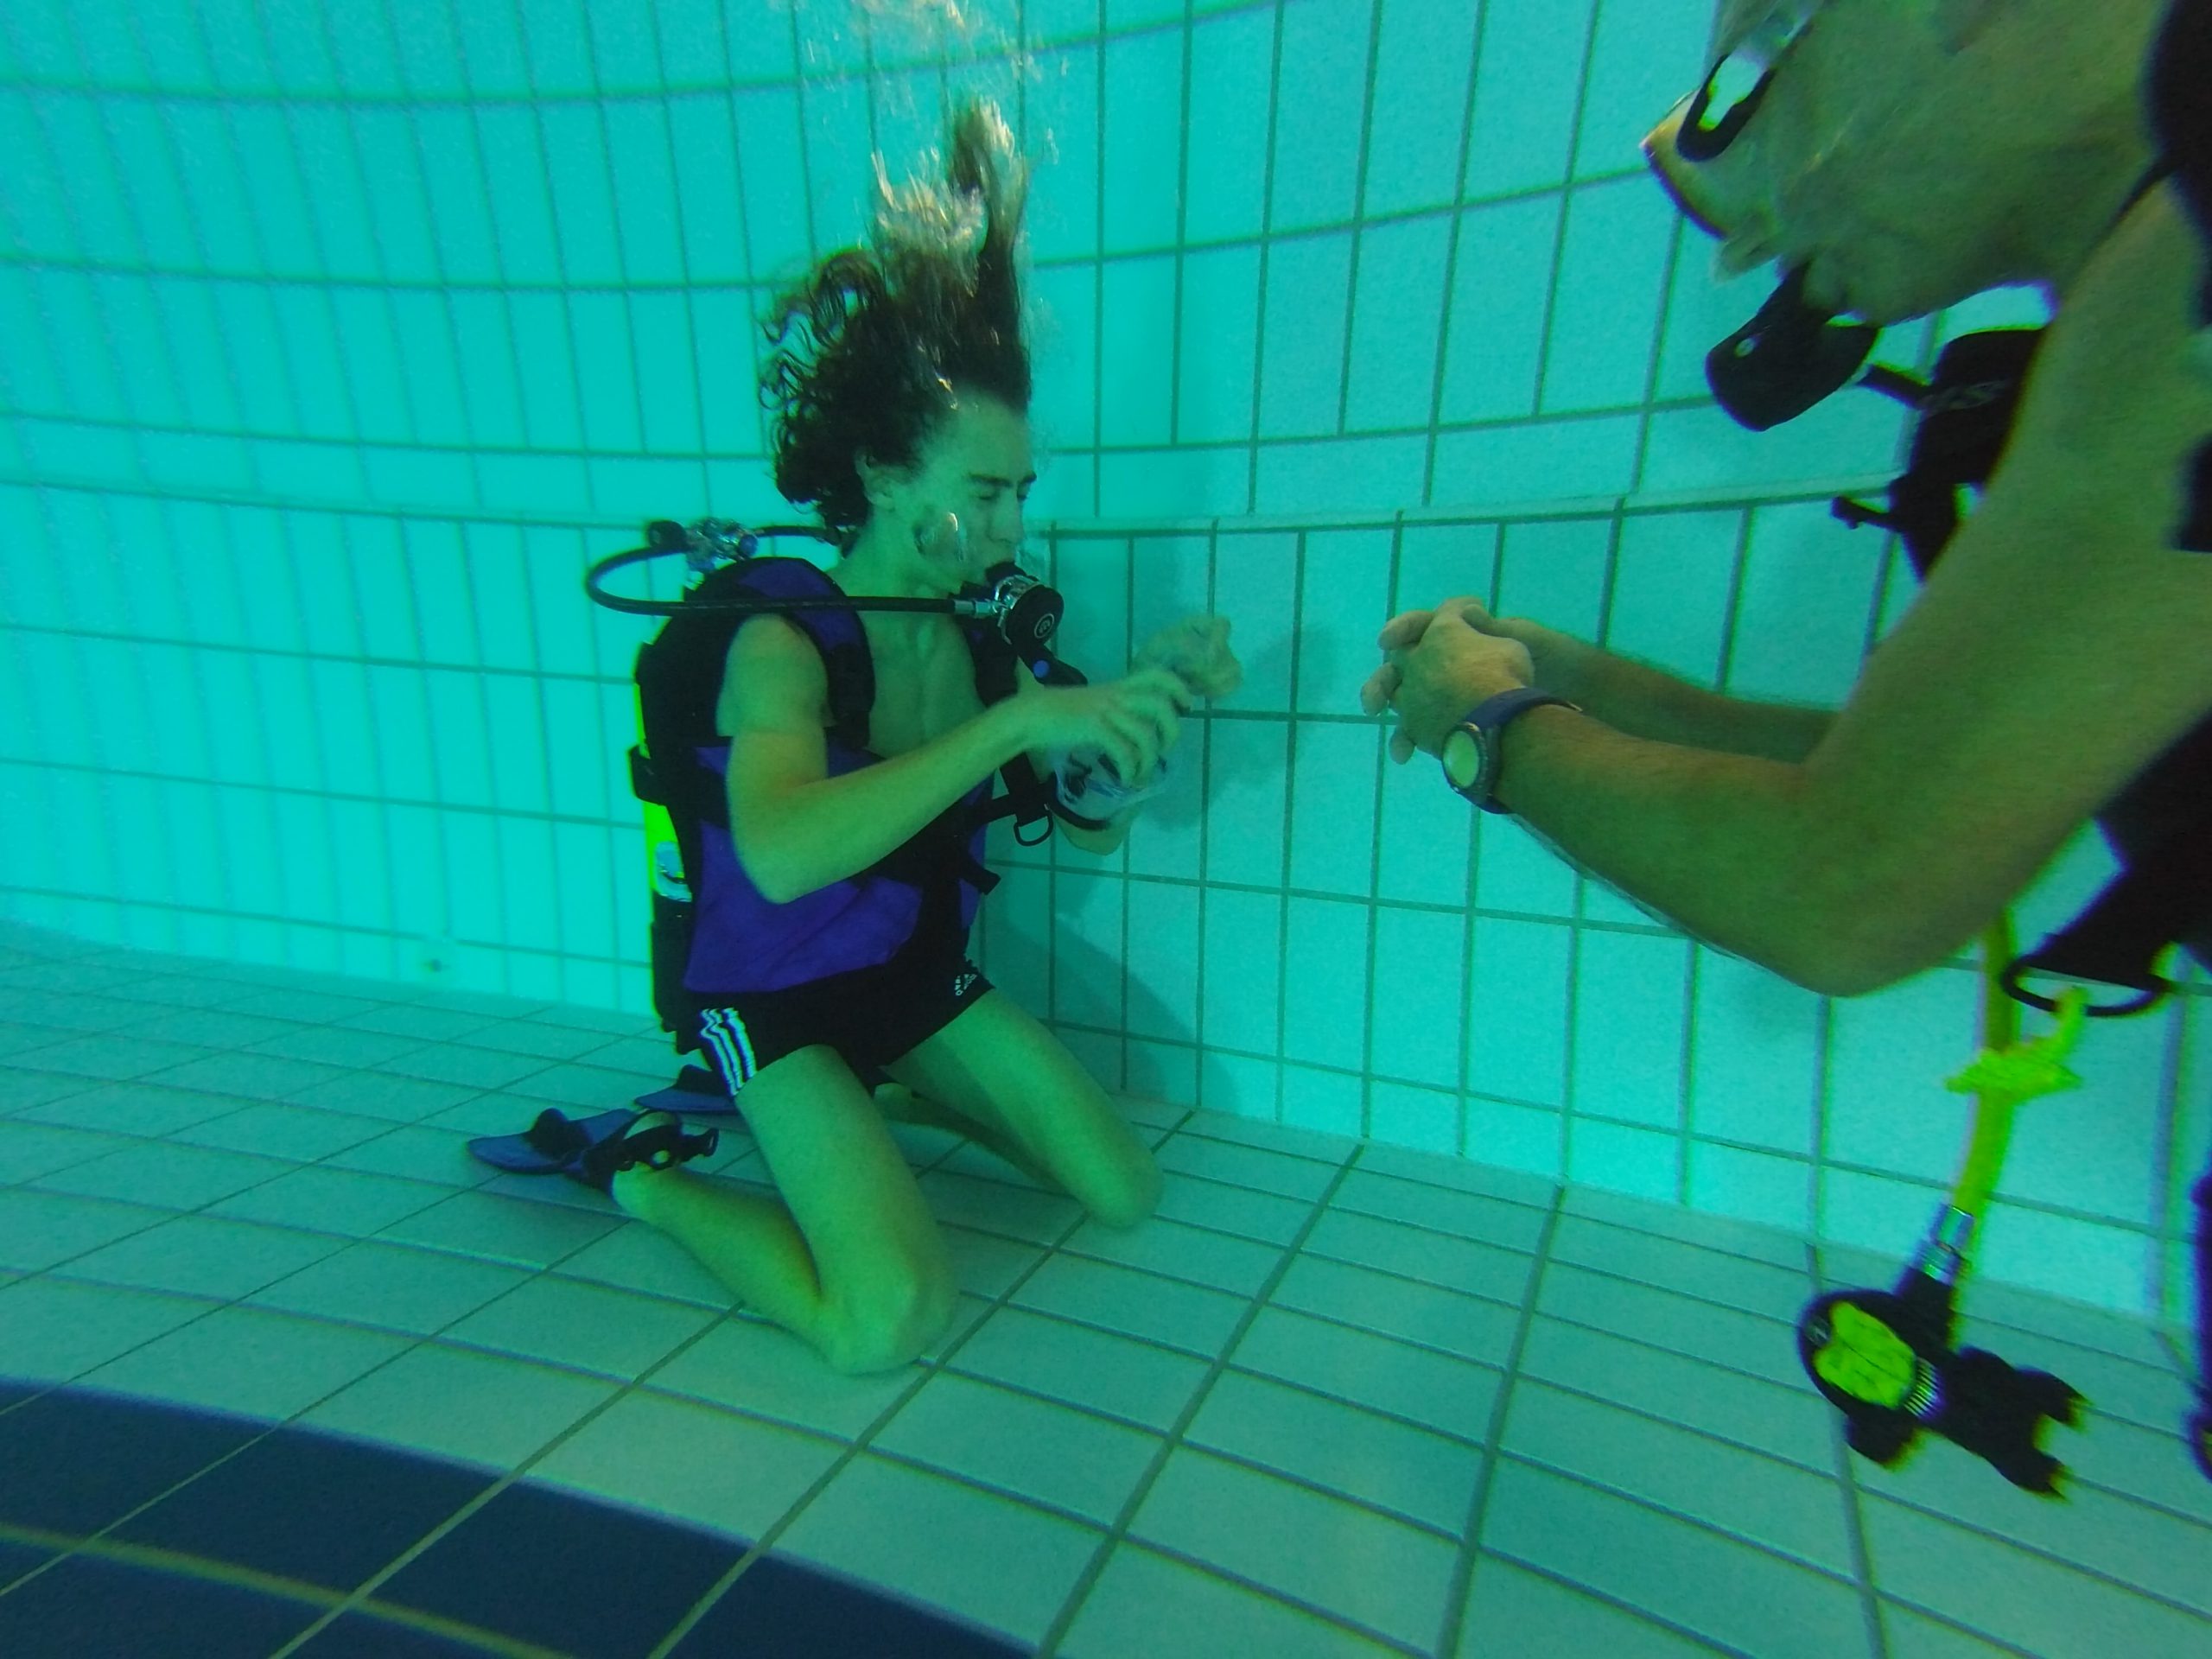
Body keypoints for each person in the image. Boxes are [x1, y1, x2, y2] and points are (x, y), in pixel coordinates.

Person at [510, 103, 1240, 1376]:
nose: (1010, 528)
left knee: (1122, 1187)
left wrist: (1144, 716)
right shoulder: (780, 638)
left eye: (1021, 492)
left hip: (902, 974)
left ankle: (885, 1092)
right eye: (985, 493)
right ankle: (639, 1175)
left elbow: (1081, 819)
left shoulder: (980, 640)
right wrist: (1022, 717)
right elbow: (783, 852)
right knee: (884, 1321)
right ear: (889, 476)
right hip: (767, 992)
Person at [1364, 0, 2212, 1001]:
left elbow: (1843, 890)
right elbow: (1934, 782)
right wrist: (1570, 688)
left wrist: (1488, 726)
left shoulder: (2180, 281)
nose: (1742, 245)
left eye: (1747, 97)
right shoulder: (2157, 269)